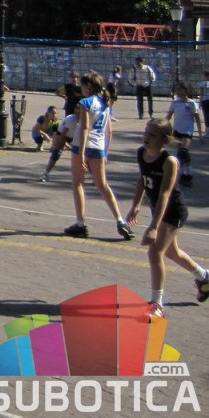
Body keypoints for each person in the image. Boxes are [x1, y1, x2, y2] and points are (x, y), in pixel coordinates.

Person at [126, 118, 209, 318]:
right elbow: (141, 180)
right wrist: (136, 205)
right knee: (172, 252)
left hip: (173, 211)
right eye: (146, 132)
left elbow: (165, 194)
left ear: (164, 140)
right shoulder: (141, 153)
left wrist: (153, 227)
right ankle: (204, 276)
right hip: (159, 210)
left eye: (153, 135)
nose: (147, 137)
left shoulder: (169, 161)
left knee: (155, 252)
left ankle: (157, 304)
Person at [64, 71, 135, 240]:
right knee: (103, 185)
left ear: (87, 87)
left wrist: (81, 152)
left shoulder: (85, 102)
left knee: (78, 183)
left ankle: (80, 224)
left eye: (82, 86)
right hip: (98, 145)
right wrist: (105, 152)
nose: (80, 89)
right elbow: (109, 130)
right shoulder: (105, 102)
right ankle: (120, 221)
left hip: (82, 145)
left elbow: (84, 128)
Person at [165, 82, 203, 188]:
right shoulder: (175, 102)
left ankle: (188, 175)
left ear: (186, 91)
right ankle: (182, 175)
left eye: (180, 89)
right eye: (177, 90)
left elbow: (197, 119)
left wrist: (200, 133)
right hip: (177, 130)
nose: (178, 91)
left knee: (184, 152)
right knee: (180, 154)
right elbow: (169, 116)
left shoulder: (191, 103)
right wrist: (161, 126)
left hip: (187, 131)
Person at [40, 111, 79, 183]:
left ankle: (94, 176)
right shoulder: (70, 120)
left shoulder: (87, 119)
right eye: (77, 112)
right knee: (56, 153)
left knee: (87, 155)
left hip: (76, 136)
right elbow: (63, 134)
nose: (78, 114)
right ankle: (46, 173)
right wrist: (62, 146)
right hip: (62, 134)